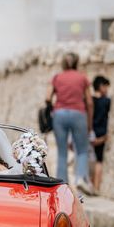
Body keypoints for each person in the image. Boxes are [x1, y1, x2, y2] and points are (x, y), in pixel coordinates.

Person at [45, 52, 94, 195]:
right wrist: (89, 122)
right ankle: (80, 179)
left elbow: (47, 97)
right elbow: (90, 102)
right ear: (77, 62)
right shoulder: (82, 77)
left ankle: (62, 185)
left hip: (59, 115)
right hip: (78, 113)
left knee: (62, 152)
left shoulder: (57, 77)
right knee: (82, 150)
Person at [91, 75, 111, 192]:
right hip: (101, 133)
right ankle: (96, 188)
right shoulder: (106, 101)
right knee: (99, 161)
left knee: (91, 161)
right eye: (106, 87)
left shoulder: (91, 101)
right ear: (101, 86)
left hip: (91, 132)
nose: (107, 90)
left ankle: (90, 185)